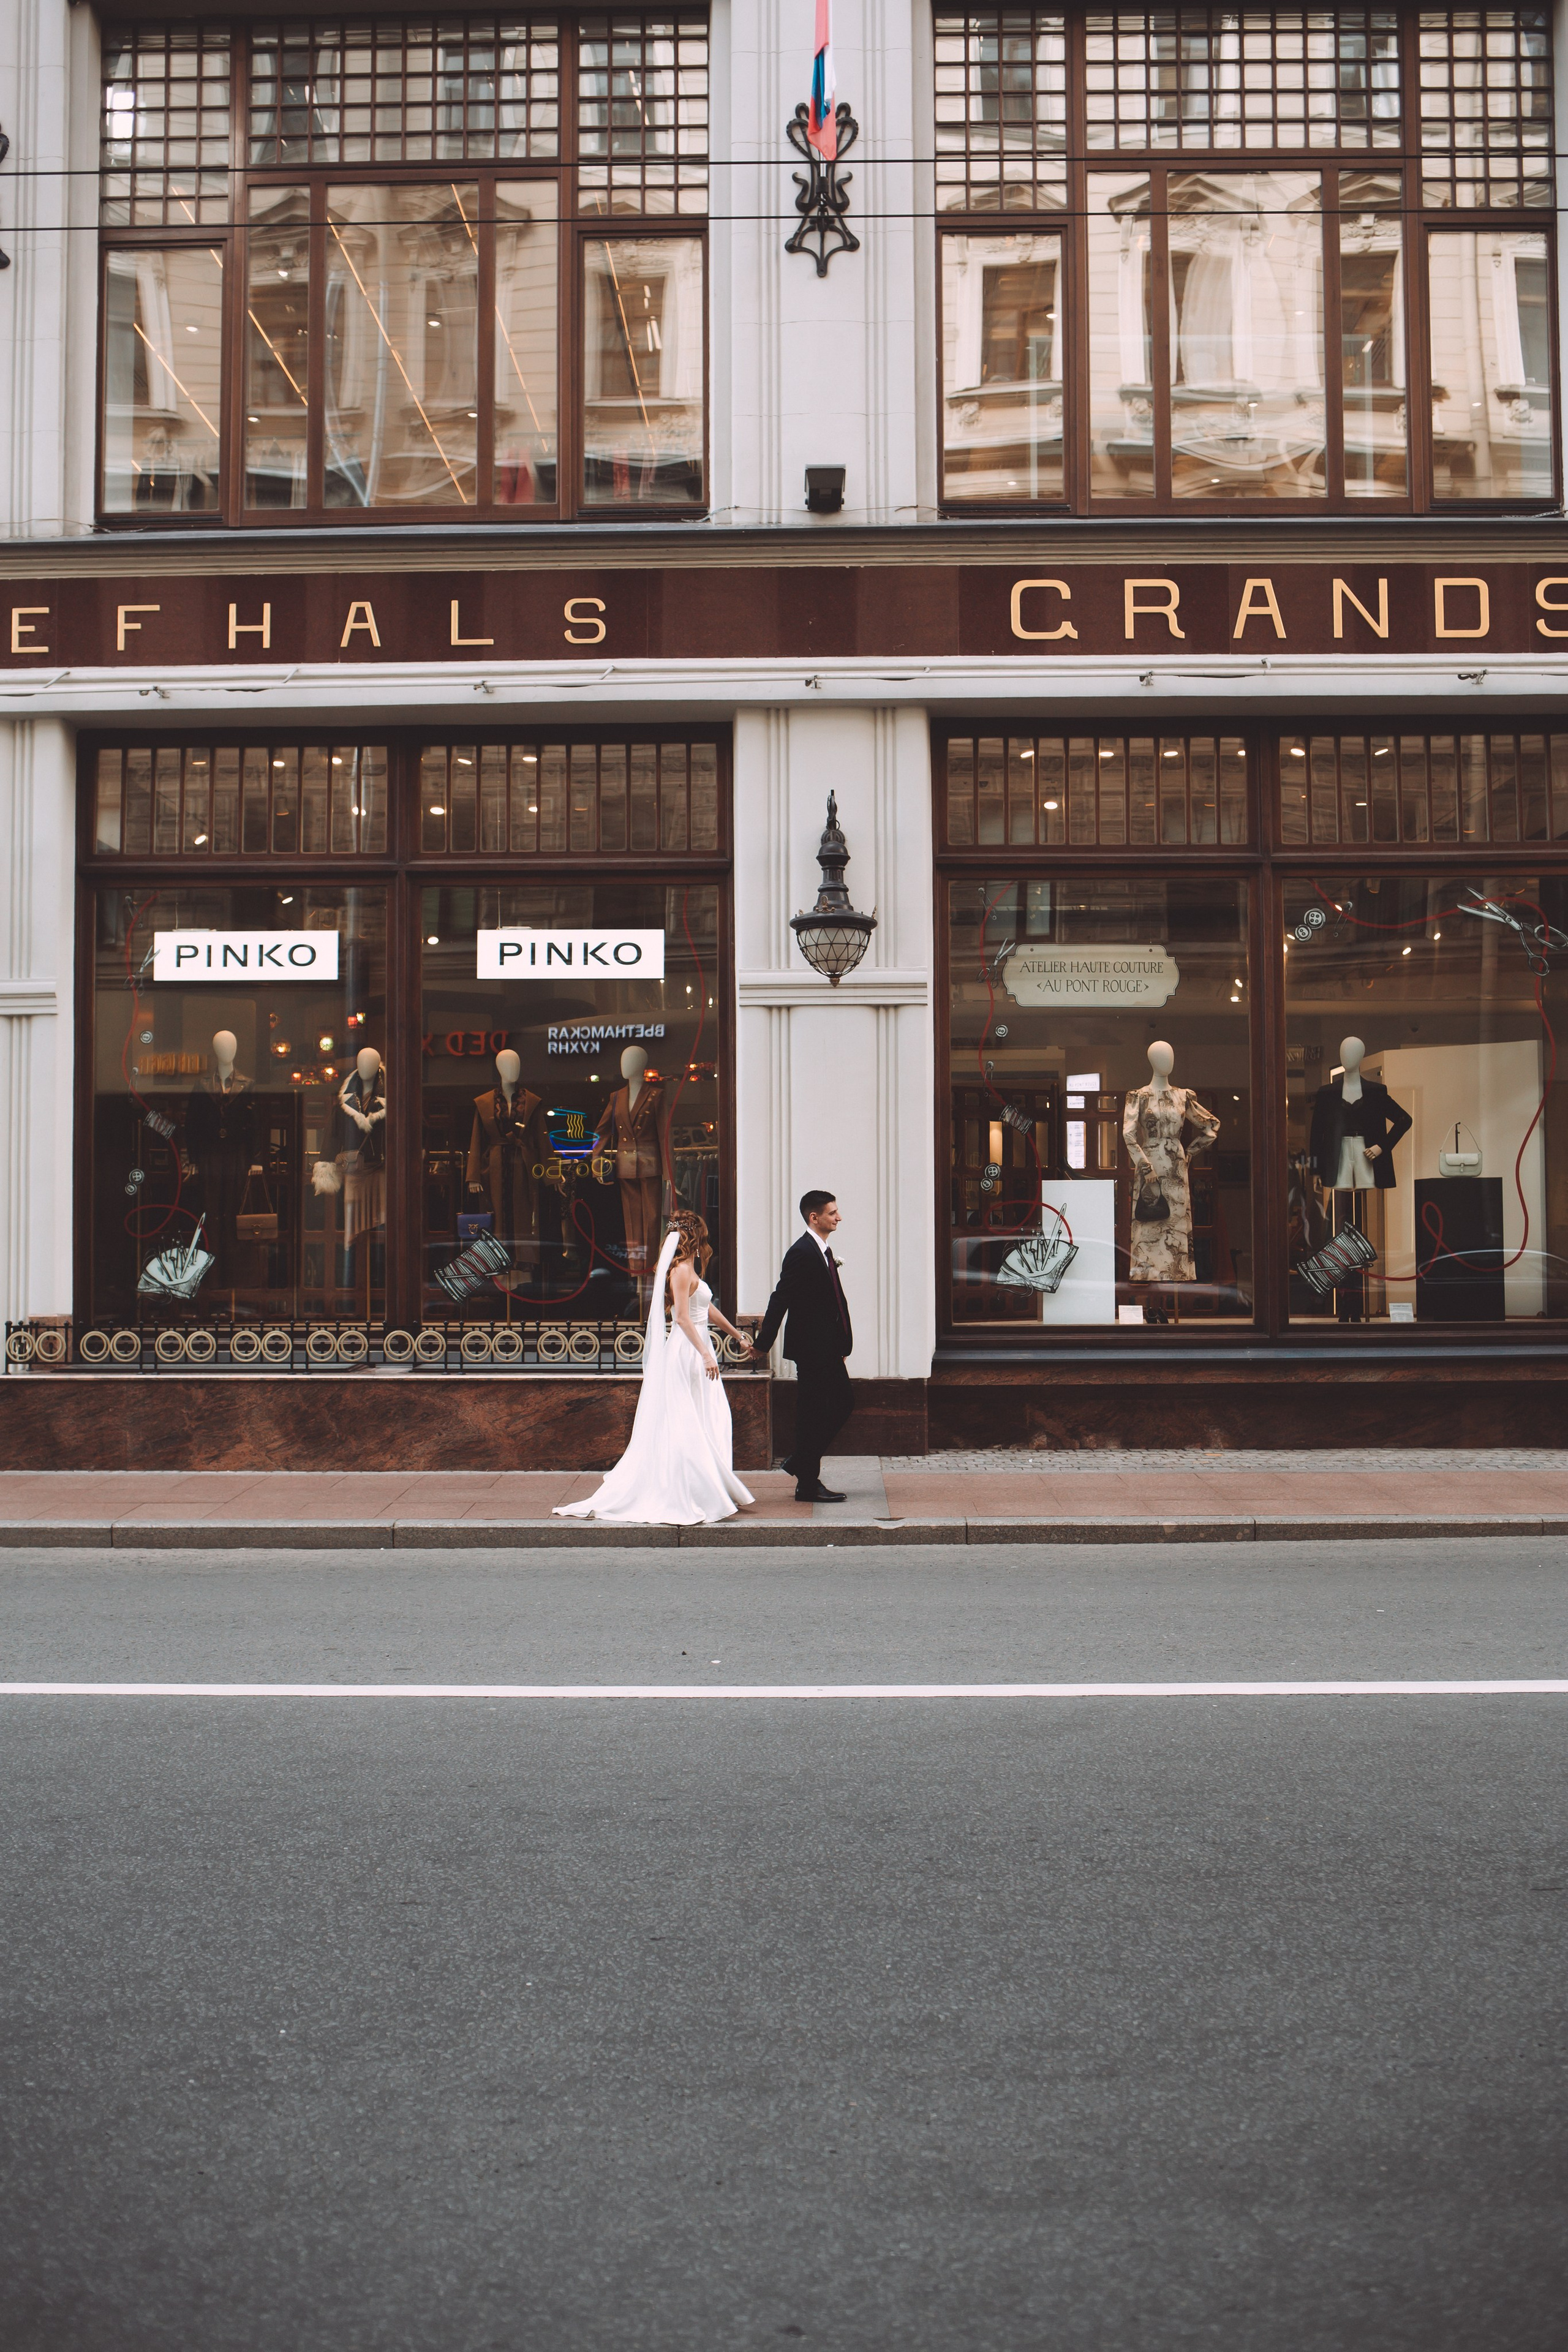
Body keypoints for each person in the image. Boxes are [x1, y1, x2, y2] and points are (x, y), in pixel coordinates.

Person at [553, 1211, 754, 1527]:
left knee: (707, 1414)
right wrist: (705, 1354)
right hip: (687, 1352)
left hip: (698, 1348)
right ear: (695, 1238)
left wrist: (736, 1334)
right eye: (703, 1236)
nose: (707, 1242)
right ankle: (690, 1490)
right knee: (686, 1420)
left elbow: (708, 1309)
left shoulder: (690, 1270)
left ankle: (710, 1486)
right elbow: (683, 1319)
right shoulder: (680, 1271)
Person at [753, 1189, 854, 1502]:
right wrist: (762, 1344)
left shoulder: (822, 1250)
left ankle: (804, 1472)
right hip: (812, 1349)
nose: (839, 1217)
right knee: (829, 1406)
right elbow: (780, 1298)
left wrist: (841, 1345)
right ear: (815, 1217)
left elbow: (830, 1303)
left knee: (825, 1408)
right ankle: (805, 1472)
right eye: (832, 1213)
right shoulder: (802, 1252)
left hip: (826, 1348)